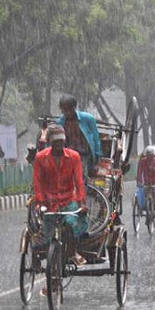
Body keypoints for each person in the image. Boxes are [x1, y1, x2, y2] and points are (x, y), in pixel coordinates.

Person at [33, 124, 88, 274]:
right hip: (48, 201)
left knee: (71, 224)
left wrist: (82, 202)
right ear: (50, 142)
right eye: (56, 141)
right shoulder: (40, 158)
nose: (59, 145)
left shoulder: (74, 157)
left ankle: (71, 252)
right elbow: (37, 183)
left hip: (68, 200)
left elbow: (79, 181)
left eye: (61, 141)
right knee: (44, 234)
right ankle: (39, 256)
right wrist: (39, 202)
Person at [55, 94, 101, 175]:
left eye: (70, 109)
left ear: (74, 107)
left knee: (81, 176)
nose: (68, 112)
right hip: (67, 156)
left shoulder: (87, 119)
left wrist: (97, 160)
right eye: (65, 110)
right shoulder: (60, 123)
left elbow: (96, 139)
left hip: (84, 156)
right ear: (61, 109)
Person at [137, 146, 155, 211]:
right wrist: (139, 181)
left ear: (153, 155)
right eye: (148, 155)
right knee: (143, 194)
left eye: (150, 155)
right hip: (146, 182)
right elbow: (139, 172)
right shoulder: (143, 161)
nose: (149, 157)